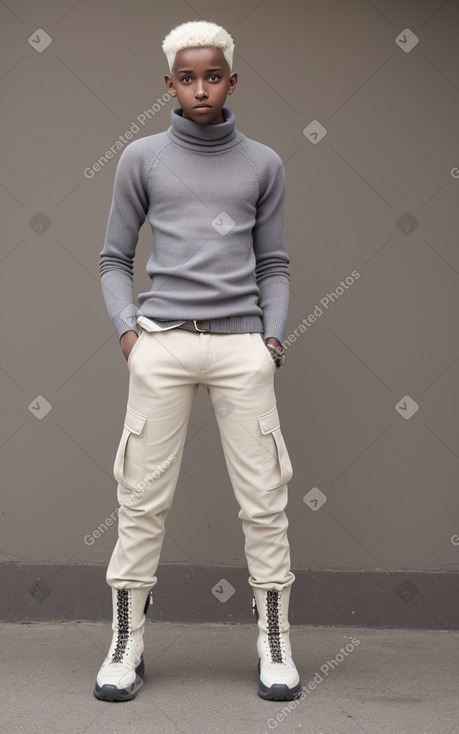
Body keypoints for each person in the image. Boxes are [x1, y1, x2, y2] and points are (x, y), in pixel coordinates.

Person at [94, 19, 301, 703]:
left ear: (231, 80)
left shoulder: (264, 163)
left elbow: (272, 263)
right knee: (139, 501)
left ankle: (274, 647)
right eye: (188, 76)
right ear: (169, 85)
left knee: (264, 502)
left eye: (212, 75)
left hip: (242, 346)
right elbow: (113, 260)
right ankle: (126, 647)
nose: (201, 87)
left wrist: (270, 343)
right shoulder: (140, 158)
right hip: (162, 346)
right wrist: (131, 336)